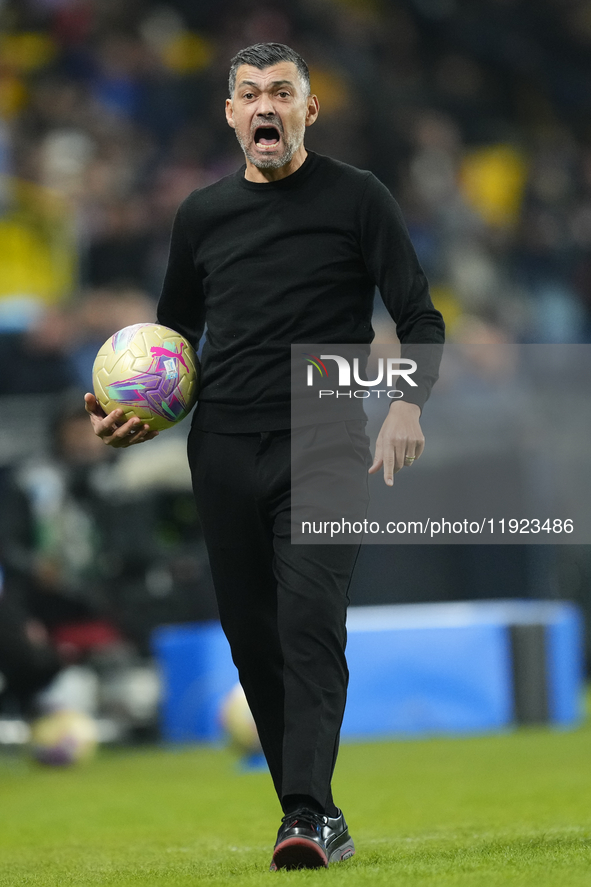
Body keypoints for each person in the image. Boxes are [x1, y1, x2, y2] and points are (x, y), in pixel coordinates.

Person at [85, 42, 445, 871]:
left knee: (308, 621)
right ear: (230, 115)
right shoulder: (201, 215)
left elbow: (420, 320)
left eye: (281, 92)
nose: (264, 107)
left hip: (324, 435)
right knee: (253, 640)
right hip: (220, 447)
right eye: (249, 94)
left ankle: (308, 814)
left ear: (308, 111)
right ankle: (312, 811)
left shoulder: (360, 199)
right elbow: (172, 345)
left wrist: (404, 403)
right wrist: (134, 415)